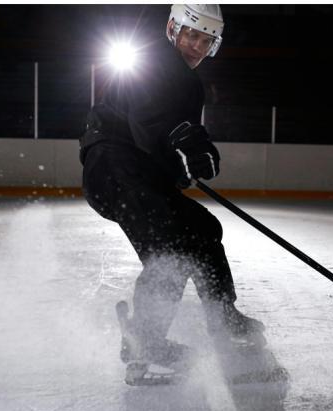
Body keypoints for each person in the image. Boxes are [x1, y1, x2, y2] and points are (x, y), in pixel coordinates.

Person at [79, 4, 264, 376]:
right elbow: (148, 119)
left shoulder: (185, 80)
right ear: (172, 29)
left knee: (202, 228)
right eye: (192, 35)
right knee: (169, 249)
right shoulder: (155, 62)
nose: (196, 46)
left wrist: (193, 158)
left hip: (138, 173)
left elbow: (174, 139)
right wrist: (181, 144)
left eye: (206, 39)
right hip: (116, 167)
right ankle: (144, 341)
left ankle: (222, 313)